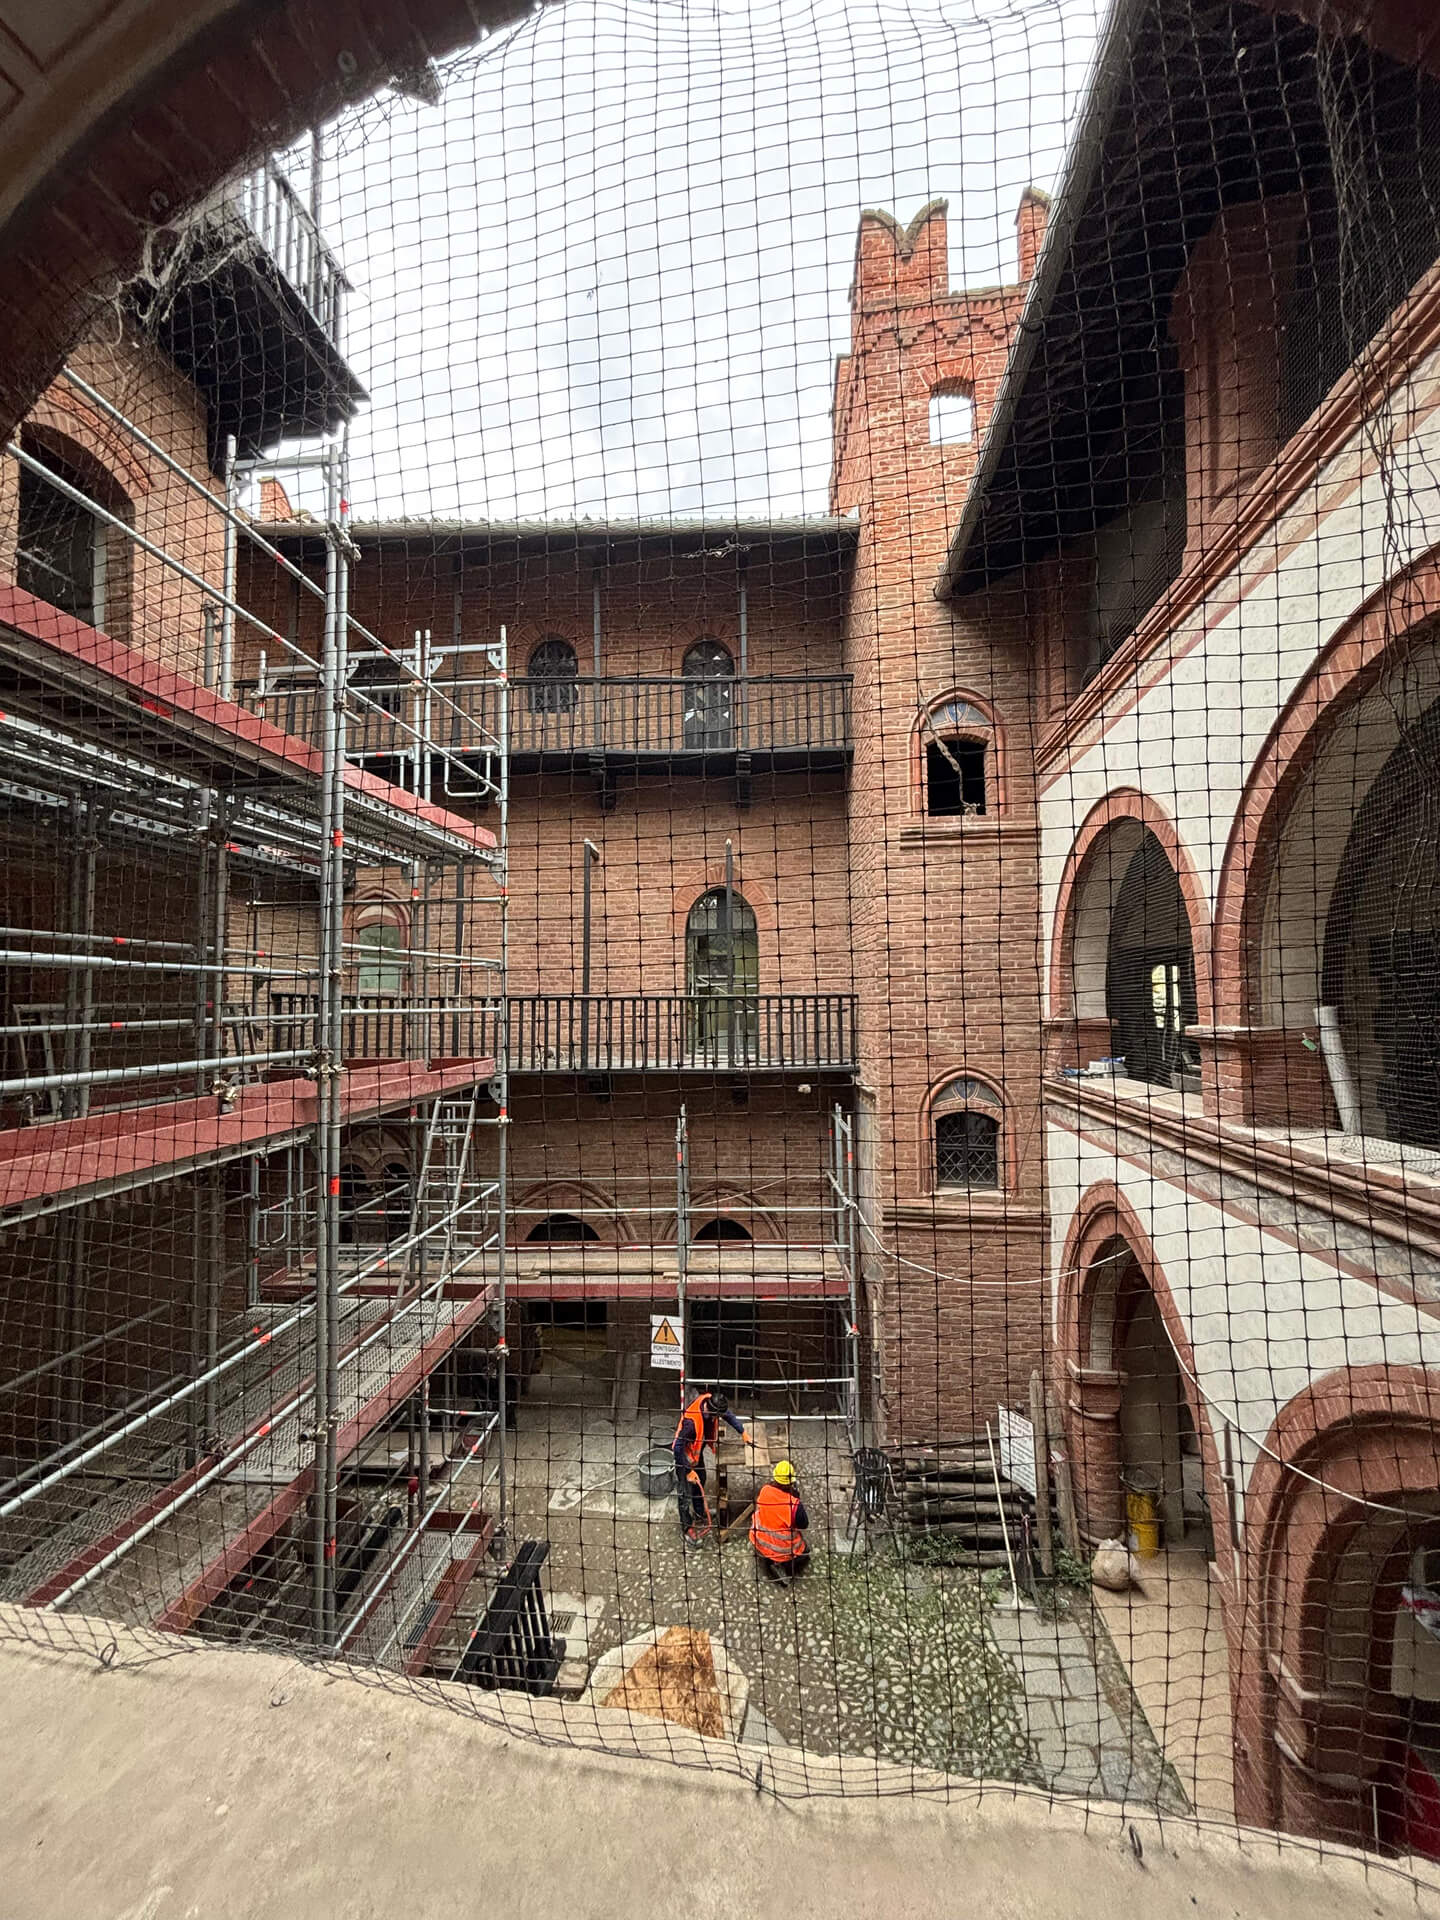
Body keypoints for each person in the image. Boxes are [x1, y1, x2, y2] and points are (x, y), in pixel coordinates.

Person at [673, 1387, 749, 1543]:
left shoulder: (710, 1402)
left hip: (696, 1453)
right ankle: (687, 1529)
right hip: (684, 1459)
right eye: (718, 1416)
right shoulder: (691, 1423)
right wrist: (687, 1470)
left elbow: (727, 1415)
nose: (719, 1418)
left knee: (701, 1479)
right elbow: (676, 1447)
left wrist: (743, 1432)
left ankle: (700, 1514)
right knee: (684, 1494)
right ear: (713, 1412)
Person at [750, 1459, 810, 1581]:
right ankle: (779, 1564)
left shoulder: (765, 1490)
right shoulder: (794, 1505)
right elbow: (804, 1525)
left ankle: (768, 1558)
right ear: (791, 1482)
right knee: (805, 1554)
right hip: (780, 1550)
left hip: (759, 1540)